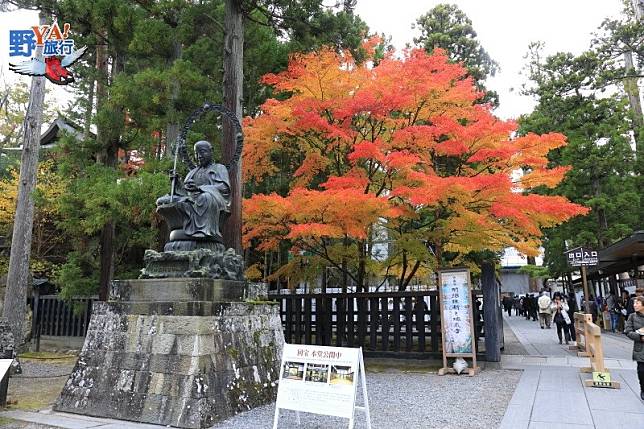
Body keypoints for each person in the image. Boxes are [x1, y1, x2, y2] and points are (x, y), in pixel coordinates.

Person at [156, 140, 231, 250]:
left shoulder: (219, 168)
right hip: (191, 199)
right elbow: (185, 192)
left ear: (211, 151)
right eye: (196, 153)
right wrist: (177, 184)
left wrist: (200, 189)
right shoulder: (193, 172)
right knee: (162, 201)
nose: (199, 156)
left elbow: (224, 189)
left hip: (209, 199)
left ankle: (202, 231)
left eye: (203, 152)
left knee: (205, 198)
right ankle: (185, 227)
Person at [624, 296, 644, 400]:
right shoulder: (632, 316)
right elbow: (627, 332)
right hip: (640, 348)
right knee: (641, 371)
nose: (634, 305)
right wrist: (640, 337)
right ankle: (643, 388)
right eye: (634, 303)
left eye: (637, 303)